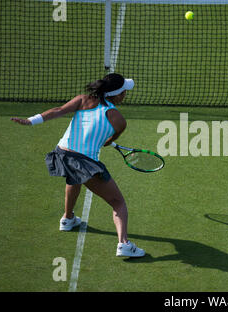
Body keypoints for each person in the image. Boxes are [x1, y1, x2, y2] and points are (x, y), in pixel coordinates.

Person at [11, 73, 145, 258]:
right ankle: (124, 244)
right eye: (124, 92)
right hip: (84, 161)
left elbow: (58, 110)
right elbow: (109, 140)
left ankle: (68, 219)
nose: (125, 95)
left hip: (62, 154)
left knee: (74, 178)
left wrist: (30, 120)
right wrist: (106, 140)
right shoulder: (119, 120)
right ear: (118, 95)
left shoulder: (82, 100)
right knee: (118, 202)